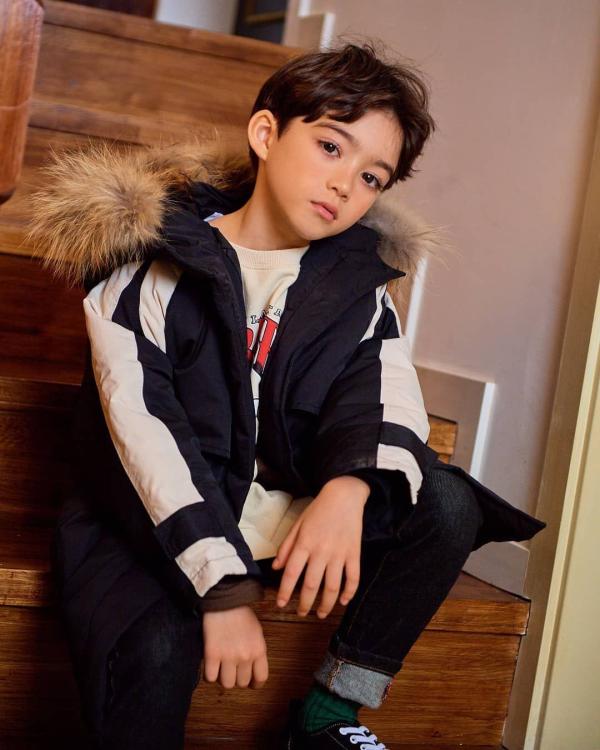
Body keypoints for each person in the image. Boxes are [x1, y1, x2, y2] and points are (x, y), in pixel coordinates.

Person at [27, 39, 546, 750]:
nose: (345, 185)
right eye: (331, 147)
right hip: (159, 521)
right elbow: (144, 439)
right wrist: (223, 593)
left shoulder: (356, 285)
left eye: (371, 177)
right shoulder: (152, 269)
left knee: (448, 503)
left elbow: (383, 395)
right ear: (267, 134)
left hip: (279, 509)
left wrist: (349, 491)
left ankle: (329, 714)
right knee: (152, 647)